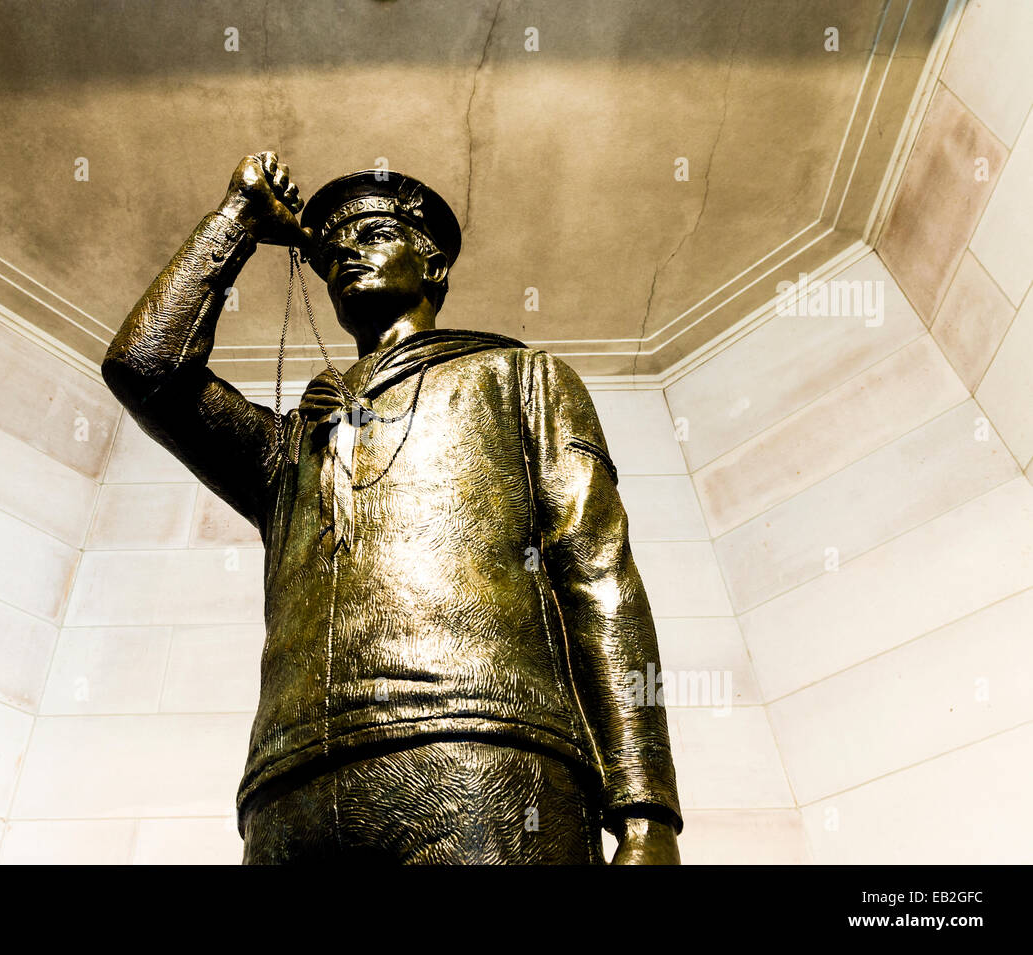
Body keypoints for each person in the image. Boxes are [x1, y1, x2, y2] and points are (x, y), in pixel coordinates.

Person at [102, 151, 682, 864]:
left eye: (374, 233)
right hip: (290, 787)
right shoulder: (289, 447)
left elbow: (599, 575)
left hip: (479, 756)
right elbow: (144, 369)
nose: (348, 251)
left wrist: (645, 810)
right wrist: (239, 218)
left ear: (432, 266)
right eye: (334, 245)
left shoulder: (520, 378)